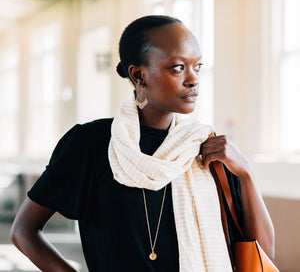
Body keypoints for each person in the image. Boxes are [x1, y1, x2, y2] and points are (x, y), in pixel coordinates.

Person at [10, 15, 275, 272]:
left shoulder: (205, 147)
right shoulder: (91, 143)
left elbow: (262, 255)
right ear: (138, 75)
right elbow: (24, 231)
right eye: (178, 67)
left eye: (198, 66)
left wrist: (247, 173)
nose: (193, 79)